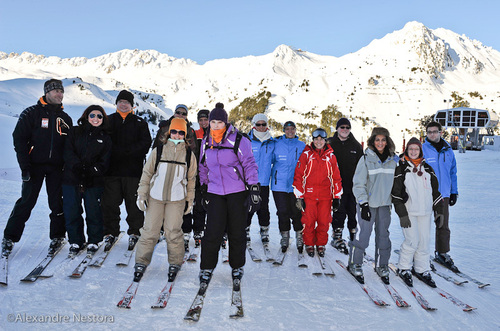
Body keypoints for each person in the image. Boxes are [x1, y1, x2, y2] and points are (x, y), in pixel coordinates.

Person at [2, 79, 72, 256]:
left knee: (57, 203)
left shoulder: (65, 118)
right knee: (26, 201)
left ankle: (57, 236)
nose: (59, 94)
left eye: (61, 91)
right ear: (47, 92)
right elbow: (19, 138)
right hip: (34, 166)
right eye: (56, 91)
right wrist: (24, 165)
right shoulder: (31, 113)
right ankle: (9, 237)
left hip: (57, 168)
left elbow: (69, 146)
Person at [198, 103, 259, 286]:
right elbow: (203, 166)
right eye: (213, 122)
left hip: (237, 192)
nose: (216, 125)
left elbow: (249, 164)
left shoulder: (239, 140)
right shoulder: (206, 142)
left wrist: (254, 187)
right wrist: (203, 188)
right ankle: (207, 267)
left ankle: (237, 266)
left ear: (226, 123)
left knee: (237, 231)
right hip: (215, 192)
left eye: (219, 122)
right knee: (212, 232)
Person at [133, 118, 197, 281]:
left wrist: (190, 200)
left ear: (185, 134)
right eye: (174, 131)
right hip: (156, 197)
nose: (177, 135)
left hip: (177, 199)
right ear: (169, 132)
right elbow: (147, 173)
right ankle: (141, 261)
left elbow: (191, 180)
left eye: (180, 132)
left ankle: (175, 262)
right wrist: (142, 194)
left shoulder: (189, 155)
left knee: (174, 232)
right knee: (149, 231)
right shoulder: (159, 150)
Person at [101, 90, 151, 251]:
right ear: (116, 103)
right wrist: (114, 152)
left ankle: (135, 232)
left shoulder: (139, 122)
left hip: (133, 172)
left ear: (132, 105)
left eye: (127, 102)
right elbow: (103, 142)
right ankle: (110, 232)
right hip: (111, 172)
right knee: (110, 204)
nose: (124, 104)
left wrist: (127, 152)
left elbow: (145, 143)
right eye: (121, 101)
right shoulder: (107, 120)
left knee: (134, 205)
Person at [392, 137, 444, 287]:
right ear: (407, 150)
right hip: (409, 212)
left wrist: (439, 212)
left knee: (423, 242)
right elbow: (396, 194)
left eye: (416, 149)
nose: (413, 151)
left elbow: (435, 192)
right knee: (411, 241)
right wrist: (402, 214)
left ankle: (422, 269)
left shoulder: (428, 169)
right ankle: (404, 268)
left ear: (420, 150)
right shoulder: (401, 169)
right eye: (410, 149)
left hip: (425, 212)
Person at [349, 127, 398, 284]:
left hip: (384, 205)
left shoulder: (393, 160)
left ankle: (382, 264)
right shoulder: (365, 159)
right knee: (364, 236)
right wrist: (363, 204)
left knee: (383, 236)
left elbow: (399, 180)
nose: (380, 143)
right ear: (372, 141)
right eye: (377, 139)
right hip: (368, 205)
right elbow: (358, 184)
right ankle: (355, 263)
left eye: (383, 140)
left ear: (387, 141)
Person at [62, 105, 111, 255]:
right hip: (72, 178)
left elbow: (105, 160)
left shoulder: (105, 137)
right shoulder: (75, 132)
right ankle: (76, 241)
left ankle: (94, 240)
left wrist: (93, 170)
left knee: (93, 210)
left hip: (93, 181)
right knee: (72, 210)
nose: (95, 119)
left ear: (103, 119)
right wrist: (76, 166)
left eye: (99, 116)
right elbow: (68, 151)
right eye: (92, 115)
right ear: (86, 116)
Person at [293, 128, 342, 258]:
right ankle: (309, 243)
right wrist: (299, 196)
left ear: (325, 141)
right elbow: (299, 175)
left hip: (326, 196)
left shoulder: (330, 156)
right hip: (309, 195)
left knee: (324, 221)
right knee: (308, 221)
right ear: (313, 140)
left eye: (321, 139)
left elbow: (336, 177)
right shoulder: (307, 154)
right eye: (316, 139)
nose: (319, 142)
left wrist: (336, 196)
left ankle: (321, 244)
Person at [422, 121, 459, 272]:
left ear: (440, 132)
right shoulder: (422, 149)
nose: (432, 134)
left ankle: (442, 253)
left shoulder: (448, 150)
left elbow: (452, 172)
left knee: (443, 224)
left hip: (442, 194)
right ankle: (420, 254)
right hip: (424, 193)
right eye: (429, 132)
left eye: (435, 131)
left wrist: (453, 191)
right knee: (421, 225)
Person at [326, 118, 363, 254]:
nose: (345, 130)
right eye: (342, 127)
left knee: (352, 212)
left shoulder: (356, 146)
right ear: (337, 128)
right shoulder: (330, 144)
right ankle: (337, 237)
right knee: (339, 211)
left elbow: (362, 166)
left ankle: (353, 236)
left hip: (352, 185)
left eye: (347, 127)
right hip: (335, 185)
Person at [270, 121, 306, 252]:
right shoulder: (277, 144)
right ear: (284, 130)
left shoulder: (302, 145)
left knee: (297, 212)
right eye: (287, 129)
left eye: (292, 129)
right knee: (282, 212)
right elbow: (269, 160)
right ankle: (284, 237)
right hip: (278, 185)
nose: (290, 131)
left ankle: (299, 236)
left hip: (295, 186)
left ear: (296, 130)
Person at [182, 109, 210, 250]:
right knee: (188, 203)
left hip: (207, 176)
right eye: (201, 120)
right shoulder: (194, 134)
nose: (204, 122)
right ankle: (186, 231)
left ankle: (198, 231)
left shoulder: (214, 134)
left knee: (200, 205)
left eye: (206, 119)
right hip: (193, 173)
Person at [246, 113, 274, 245]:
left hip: (263, 181)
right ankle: (245, 231)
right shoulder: (247, 140)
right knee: (248, 207)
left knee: (263, 208)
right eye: (258, 124)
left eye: (264, 124)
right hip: (249, 181)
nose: (261, 127)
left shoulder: (272, 142)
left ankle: (264, 231)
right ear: (254, 125)